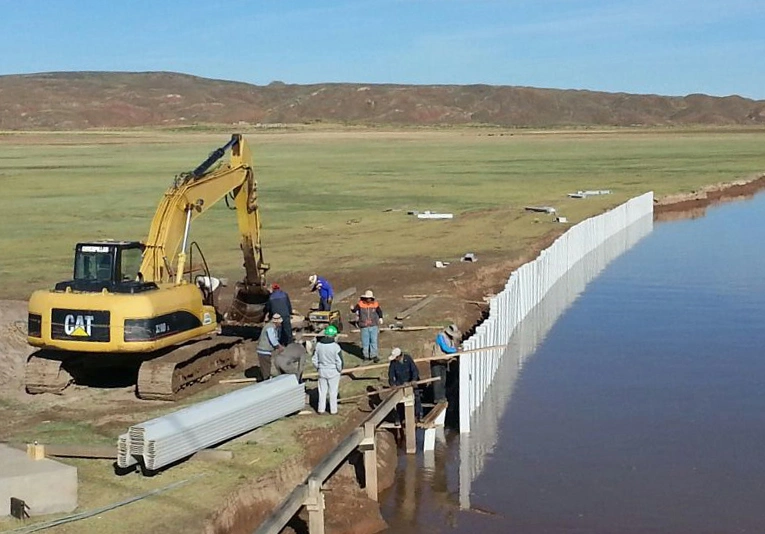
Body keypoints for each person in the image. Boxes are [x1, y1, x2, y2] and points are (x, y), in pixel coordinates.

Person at [312, 325, 344, 415]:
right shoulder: (336, 347)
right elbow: (339, 361)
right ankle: (333, 410)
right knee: (333, 392)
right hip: (333, 371)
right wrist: (339, 370)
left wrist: (318, 367)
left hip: (322, 370)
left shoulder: (318, 346)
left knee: (322, 391)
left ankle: (321, 409)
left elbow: (314, 359)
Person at [387, 347, 422, 421]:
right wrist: (393, 384)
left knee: (417, 397)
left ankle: (419, 415)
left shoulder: (408, 359)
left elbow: (414, 370)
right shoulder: (393, 363)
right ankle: (399, 418)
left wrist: (414, 380)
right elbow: (391, 374)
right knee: (398, 401)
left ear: (399, 356)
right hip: (400, 384)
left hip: (411, 382)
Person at [351, 289, 383, 362]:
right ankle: (365, 356)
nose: (368, 299)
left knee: (373, 341)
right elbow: (355, 310)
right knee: (365, 342)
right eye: (367, 298)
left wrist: (381, 318)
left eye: (370, 298)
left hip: (373, 325)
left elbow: (379, 311)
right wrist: (352, 309)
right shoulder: (360, 304)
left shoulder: (375, 304)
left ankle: (374, 355)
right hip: (364, 326)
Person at [432, 323, 460, 403]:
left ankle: (442, 397)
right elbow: (445, 348)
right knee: (437, 381)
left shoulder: (450, 339)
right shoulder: (440, 337)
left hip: (444, 361)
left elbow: (452, 347)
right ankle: (437, 399)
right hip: (437, 361)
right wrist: (456, 351)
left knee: (443, 380)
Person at [256, 313, 284, 380]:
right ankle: (266, 381)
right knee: (266, 368)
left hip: (265, 351)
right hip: (263, 351)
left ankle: (266, 378)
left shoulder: (272, 327)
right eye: (280, 323)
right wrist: (279, 347)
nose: (280, 324)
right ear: (276, 322)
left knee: (267, 366)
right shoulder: (270, 327)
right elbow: (273, 340)